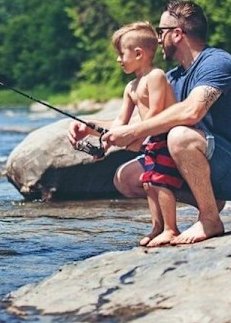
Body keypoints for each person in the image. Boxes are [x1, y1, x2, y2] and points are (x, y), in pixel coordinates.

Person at [102, 0, 231, 245]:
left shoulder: (217, 62)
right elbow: (144, 121)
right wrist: (90, 128)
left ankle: (210, 219)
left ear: (177, 34)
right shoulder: (173, 77)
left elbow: (192, 111)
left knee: (180, 136)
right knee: (126, 177)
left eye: (161, 32)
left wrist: (134, 132)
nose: (158, 39)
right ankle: (209, 200)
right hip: (211, 163)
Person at [68, 21, 185, 247]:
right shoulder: (130, 87)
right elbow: (120, 122)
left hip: (164, 138)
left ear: (139, 53)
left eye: (121, 54)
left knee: (161, 183)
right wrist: (103, 146)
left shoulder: (156, 76)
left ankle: (171, 229)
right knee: (149, 183)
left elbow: (156, 112)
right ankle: (157, 227)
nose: (118, 59)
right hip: (150, 141)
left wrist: (136, 137)